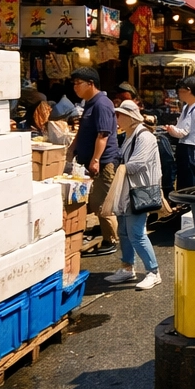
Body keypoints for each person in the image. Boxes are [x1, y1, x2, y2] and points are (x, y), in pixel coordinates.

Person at [104, 100, 162, 289]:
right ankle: (127, 268)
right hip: (127, 191)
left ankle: (154, 272)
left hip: (138, 192)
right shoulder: (130, 135)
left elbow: (136, 164)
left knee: (136, 233)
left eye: (119, 115)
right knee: (124, 232)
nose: (116, 119)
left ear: (130, 117)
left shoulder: (144, 137)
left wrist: (118, 168)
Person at [67, 68, 120, 256]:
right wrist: (72, 148)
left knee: (102, 203)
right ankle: (104, 231)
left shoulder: (102, 104)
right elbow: (83, 131)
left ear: (91, 83)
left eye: (78, 83)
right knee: (94, 199)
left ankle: (111, 239)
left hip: (104, 162)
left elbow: (103, 135)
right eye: (74, 83)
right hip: (90, 161)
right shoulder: (89, 103)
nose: (75, 87)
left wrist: (96, 159)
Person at [163, 76, 195, 194]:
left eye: (180, 91)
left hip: (192, 148)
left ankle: (189, 205)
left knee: (190, 179)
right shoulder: (188, 106)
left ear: (188, 90)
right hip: (186, 147)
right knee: (184, 178)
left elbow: (183, 132)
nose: (179, 94)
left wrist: (171, 129)